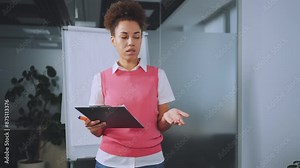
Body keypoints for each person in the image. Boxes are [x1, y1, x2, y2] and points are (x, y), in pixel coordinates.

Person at [85, 0, 189, 168]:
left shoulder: (158, 75)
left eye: (136, 36)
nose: (131, 42)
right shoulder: (100, 78)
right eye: (124, 36)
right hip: (110, 161)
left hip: (151, 160)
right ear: (113, 40)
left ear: (141, 38)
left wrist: (167, 118)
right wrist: (93, 127)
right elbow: (98, 131)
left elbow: (161, 125)